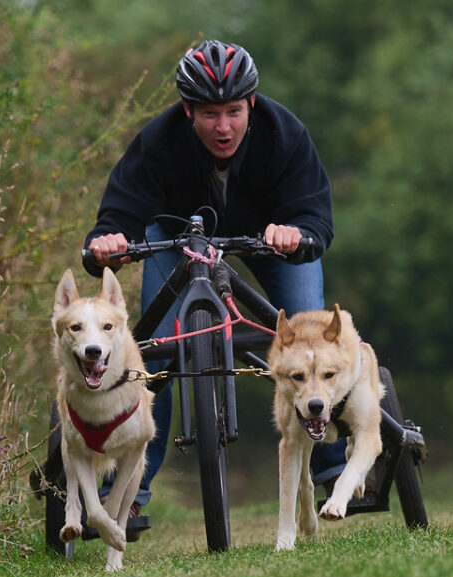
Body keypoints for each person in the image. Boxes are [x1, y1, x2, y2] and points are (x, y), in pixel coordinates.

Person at [82, 39, 346, 538]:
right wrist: (108, 241)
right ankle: (128, 492)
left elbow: (315, 216)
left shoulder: (285, 134)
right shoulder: (158, 141)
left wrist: (297, 233)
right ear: (187, 110)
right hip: (176, 235)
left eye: (233, 112)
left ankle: (332, 465)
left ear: (252, 104)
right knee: (151, 351)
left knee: (313, 345)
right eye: (208, 114)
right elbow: (119, 214)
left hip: (272, 238)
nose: (223, 127)